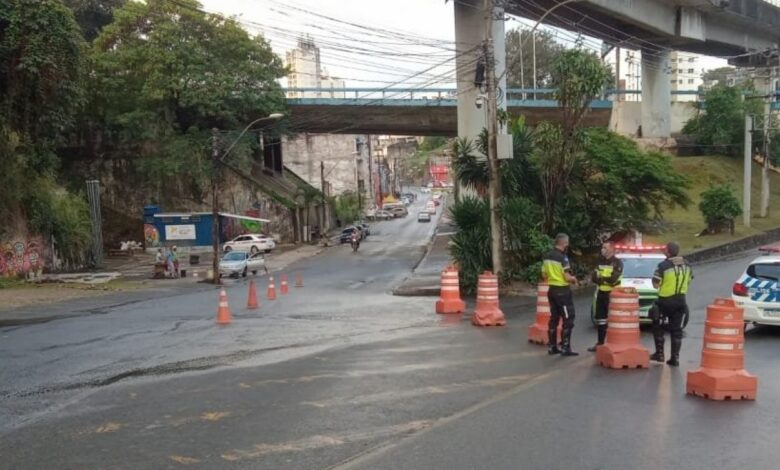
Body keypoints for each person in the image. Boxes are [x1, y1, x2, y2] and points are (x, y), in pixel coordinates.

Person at [650, 241, 693, 367]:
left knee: (657, 324)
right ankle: (675, 358)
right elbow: (689, 280)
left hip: (665, 301)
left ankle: (659, 354)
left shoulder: (663, 265)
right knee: (676, 330)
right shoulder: (687, 264)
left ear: (667, 251)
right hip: (681, 301)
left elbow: (655, 284)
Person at [541, 233, 579, 356]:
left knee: (554, 318)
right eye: (567, 243)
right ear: (563, 243)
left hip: (551, 291)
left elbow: (544, 275)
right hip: (563, 291)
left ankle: (552, 347)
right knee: (568, 318)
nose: (568, 245)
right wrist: (574, 279)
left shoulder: (547, 256)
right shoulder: (563, 258)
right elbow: (567, 277)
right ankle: (565, 347)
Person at [587, 241, 624, 352]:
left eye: (605, 248)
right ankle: (600, 343)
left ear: (612, 249)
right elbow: (593, 278)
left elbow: (613, 280)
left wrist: (601, 278)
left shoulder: (617, 262)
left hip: (613, 295)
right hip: (601, 293)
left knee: (613, 320)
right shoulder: (600, 261)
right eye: (602, 247)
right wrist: (603, 279)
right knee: (600, 319)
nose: (602, 249)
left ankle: (614, 344)